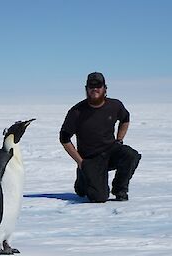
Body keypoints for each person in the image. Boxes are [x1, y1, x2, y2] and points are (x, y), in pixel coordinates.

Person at [60, 72, 141, 202]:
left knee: (131, 155)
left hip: (111, 150)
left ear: (105, 88)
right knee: (99, 198)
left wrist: (119, 140)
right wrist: (81, 162)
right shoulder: (77, 112)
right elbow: (64, 138)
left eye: (98, 85)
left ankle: (120, 189)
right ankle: (83, 178)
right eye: (91, 86)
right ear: (86, 89)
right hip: (90, 158)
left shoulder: (115, 106)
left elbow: (125, 119)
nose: (95, 89)